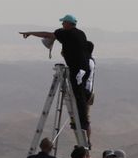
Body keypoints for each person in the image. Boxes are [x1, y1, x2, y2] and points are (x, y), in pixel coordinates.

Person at [20, 15, 93, 146]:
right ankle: (81, 122)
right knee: (79, 96)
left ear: (68, 23)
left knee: (78, 96)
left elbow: (48, 34)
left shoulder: (65, 33)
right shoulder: (81, 33)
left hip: (77, 70)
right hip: (83, 69)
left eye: (63, 23)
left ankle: (81, 122)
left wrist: (30, 33)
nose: (62, 25)